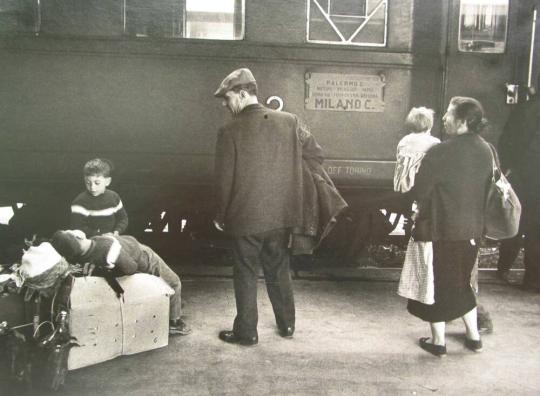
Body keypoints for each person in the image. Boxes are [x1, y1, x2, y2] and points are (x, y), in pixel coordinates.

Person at [213, 68, 324, 346]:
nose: (225, 105)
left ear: (242, 93)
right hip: (282, 215)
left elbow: (224, 179)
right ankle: (287, 326)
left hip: (245, 215)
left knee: (246, 272)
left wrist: (221, 214)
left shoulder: (229, 131)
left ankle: (246, 332)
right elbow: (316, 155)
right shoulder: (290, 121)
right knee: (278, 269)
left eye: (227, 99)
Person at [407, 97, 492, 356]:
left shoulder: (441, 151)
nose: (443, 118)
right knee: (461, 282)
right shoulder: (486, 149)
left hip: (441, 229)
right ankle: (474, 338)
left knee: (437, 284)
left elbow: (421, 190)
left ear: (463, 121)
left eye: (448, 114)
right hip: (473, 230)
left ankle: (438, 342)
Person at [50, 230, 191, 336]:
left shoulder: (80, 255)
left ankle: (172, 305)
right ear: (78, 238)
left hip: (125, 253)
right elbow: (131, 268)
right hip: (142, 257)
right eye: (69, 232)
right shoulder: (108, 248)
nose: (73, 230)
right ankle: (174, 322)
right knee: (174, 283)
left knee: (166, 293)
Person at [497, 81, 540, 291]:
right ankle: (533, 279)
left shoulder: (522, 109)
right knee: (537, 230)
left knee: (516, 221)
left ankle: (502, 268)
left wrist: (509, 168)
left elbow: (506, 141)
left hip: (522, 176)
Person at [395, 107, 440, 305]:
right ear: (429, 124)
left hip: (405, 189)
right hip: (423, 191)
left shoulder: (404, 141)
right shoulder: (435, 143)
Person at [70, 158, 128, 237]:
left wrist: (116, 231)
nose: (92, 187)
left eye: (97, 183)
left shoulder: (114, 197)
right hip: (90, 241)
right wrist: (100, 235)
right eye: (88, 183)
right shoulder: (79, 202)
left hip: (113, 237)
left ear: (107, 182)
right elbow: (78, 228)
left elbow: (123, 219)